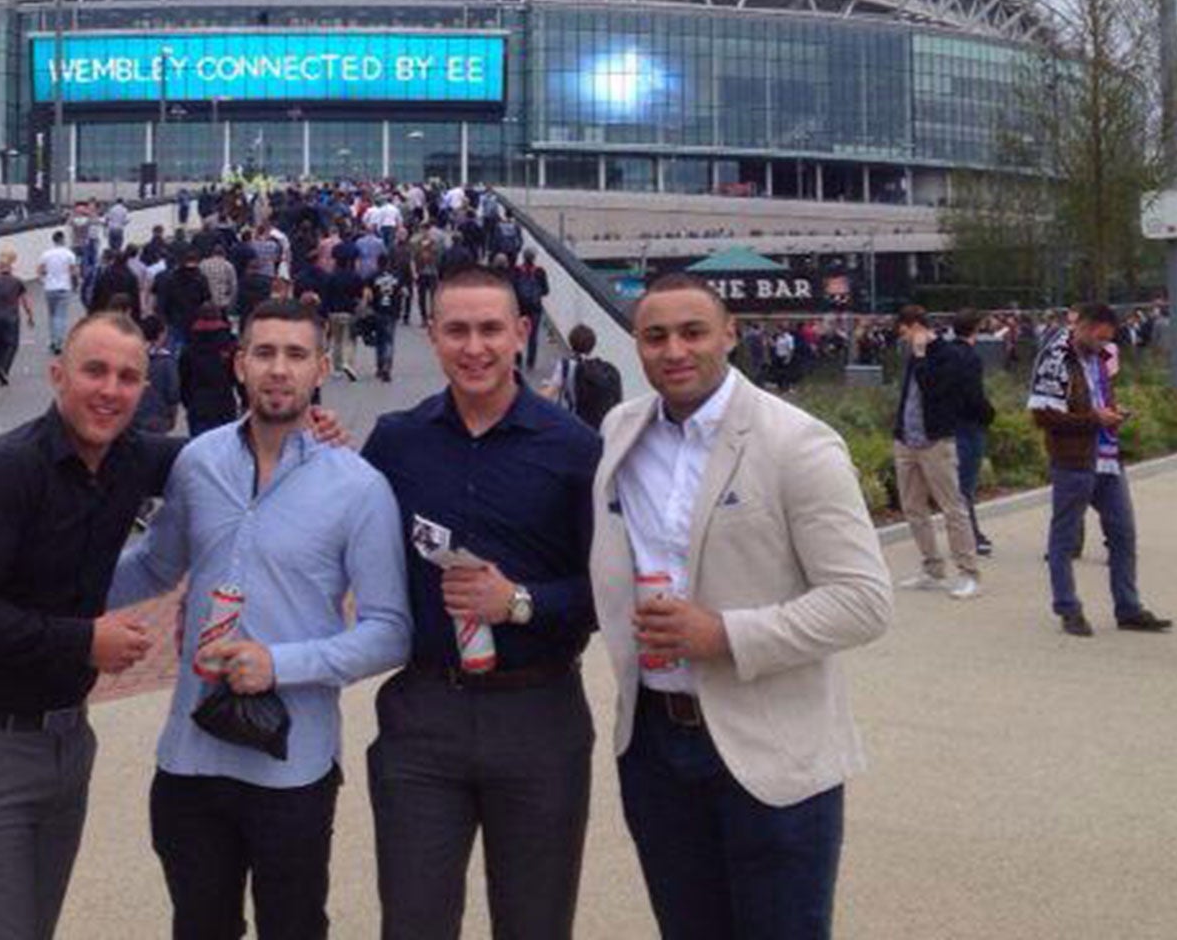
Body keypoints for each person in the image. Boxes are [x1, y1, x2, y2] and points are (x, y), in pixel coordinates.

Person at [593, 273, 892, 938]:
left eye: (693, 332)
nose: (675, 350)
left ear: (730, 333)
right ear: (636, 345)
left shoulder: (796, 442)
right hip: (654, 745)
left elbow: (864, 601)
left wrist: (724, 634)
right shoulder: (620, 433)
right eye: (656, 335)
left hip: (771, 752)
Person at [110, 298, 411, 940]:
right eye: (265, 353)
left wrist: (282, 663)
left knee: (294, 926)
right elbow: (156, 567)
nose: (279, 369)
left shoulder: (358, 487)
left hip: (291, 762)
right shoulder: (198, 462)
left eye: (297, 355)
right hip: (191, 757)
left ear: (322, 367)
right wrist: (54, 589)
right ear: (240, 363)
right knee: (198, 925)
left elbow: (390, 629)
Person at [0, 310, 174, 938]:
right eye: (95, 371)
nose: (110, 390)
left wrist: (307, 427)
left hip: (64, 744)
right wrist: (85, 640)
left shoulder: (128, 458)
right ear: (58, 375)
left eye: (128, 377)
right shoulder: (1, 472)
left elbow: (226, 455)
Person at [360, 265, 600, 940]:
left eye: (490, 329)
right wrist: (316, 446)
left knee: (534, 922)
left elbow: (607, 593)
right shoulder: (395, 442)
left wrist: (519, 601)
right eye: (457, 330)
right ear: (433, 336)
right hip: (423, 717)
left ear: (521, 332)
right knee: (412, 922)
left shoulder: (575, 450)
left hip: (539, 717)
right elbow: (339, 530)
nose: (475, 348)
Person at [1029, 303, 1172, 639]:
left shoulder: (1101, 356)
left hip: (1106, 455)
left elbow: (1097, 396)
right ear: (1082, 326)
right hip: (1074, 459)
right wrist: (1095, 419)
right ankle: (1068, 608)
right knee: (1064, 538)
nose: (1102, 344)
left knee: (1123, 533)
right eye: (1097, 337)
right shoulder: (1055, 358)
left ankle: (1128, 607)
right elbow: (1043, 416)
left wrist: (1110, 413)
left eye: (1107, 339)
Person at [889, 306, 981, 600]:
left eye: (904, 330)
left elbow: (933, 389)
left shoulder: (946, 354)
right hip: (907, 440)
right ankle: (932, 567)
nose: (902, 337)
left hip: (935, 441)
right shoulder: (913, 356)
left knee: (952, 507)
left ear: (915, 326)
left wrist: (920, 357)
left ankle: (968, 572)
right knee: (913, 507)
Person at [945, 310, 998, 556]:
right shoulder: (971, 358)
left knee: (957, 485)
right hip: (969, 425)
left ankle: (965, 533)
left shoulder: (945, 354)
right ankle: (970, 536)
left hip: (949, 424)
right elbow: (974, 395)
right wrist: (989, 414)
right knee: (966, 485)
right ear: (975, 329)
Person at [180, 306, 246, 437]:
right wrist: (244, 399)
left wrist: (188, 402)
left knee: (199, 448)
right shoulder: (230, 344)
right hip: (224, 403)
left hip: (198, 406)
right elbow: (238, 377)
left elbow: (184, 380)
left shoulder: (189, 346)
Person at [545, 325, 623, 434]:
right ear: (592, 345)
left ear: (571, 342)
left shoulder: (566, 365)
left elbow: (550, 393)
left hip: (571, 423)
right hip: (596, 428)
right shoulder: (603, 368)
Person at [0, 250, 36, 387]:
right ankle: (4, 369)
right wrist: (30, 315)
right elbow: (25, 300)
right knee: (12, 344)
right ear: (10, 268)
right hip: (12, 317)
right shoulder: (17, 282)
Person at [321, 253, 363, 384]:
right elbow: (359, 294)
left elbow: (326, 295)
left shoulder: (331, 277)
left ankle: (337, 367)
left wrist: (325, 311)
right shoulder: (355, 277)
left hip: (334, 312)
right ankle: (348, 363)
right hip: (349, 311)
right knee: (350, 339)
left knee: (337, 340)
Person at [40, 230, 80, 355]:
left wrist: (44, 281)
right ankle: (59, 342)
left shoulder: (46, 254)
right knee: (61, 316)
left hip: (50, 288)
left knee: (52, 316)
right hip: (64, 287)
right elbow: (74, 272)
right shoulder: (69, 254)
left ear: (53, 240)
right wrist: (75, 285)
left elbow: (41, 271)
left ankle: (53, 341)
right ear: (63, 240)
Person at [513, 254, 551, 373]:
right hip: (535, 309)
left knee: (518, 334)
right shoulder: (540, 272)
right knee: (533, 336)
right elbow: (546, 291)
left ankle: (518, 360)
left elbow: (513, 289)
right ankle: (530, 362)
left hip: (520, 308)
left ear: (524, 258)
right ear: (534, 258)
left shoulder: (517, 271)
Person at [367, 262, 403, 383]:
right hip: (392, 312)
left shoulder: (373, 277)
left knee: (379, 341)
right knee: (389, 340)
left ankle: (379, 366)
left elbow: (368, 295)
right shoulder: (397, 277)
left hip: (378, 311)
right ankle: (387, 365)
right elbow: (403, 293)